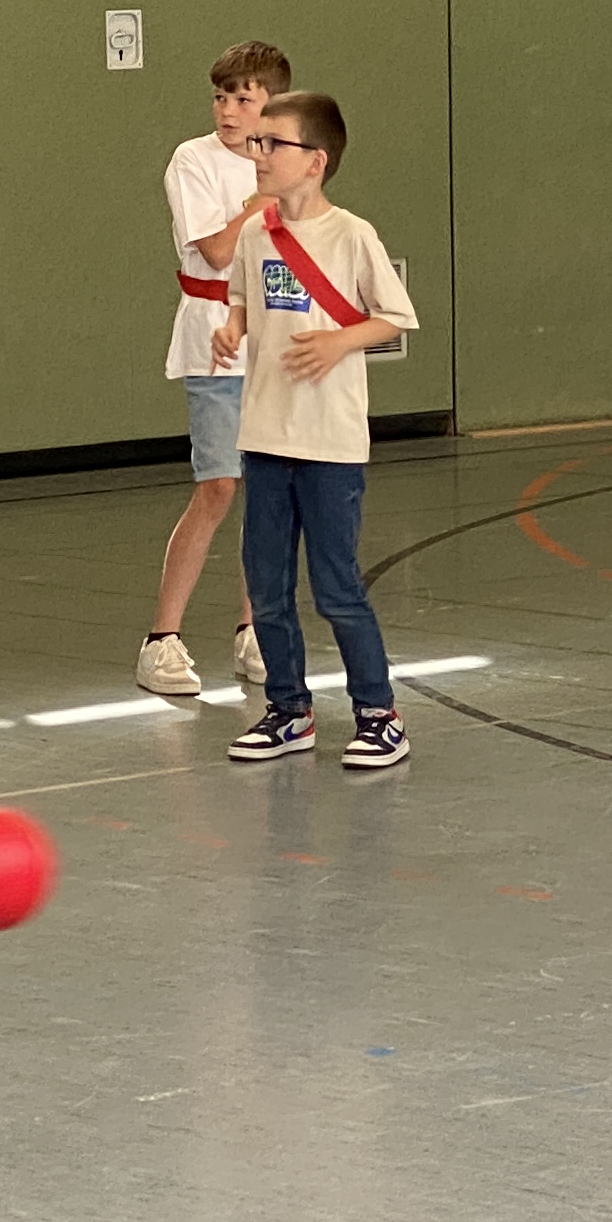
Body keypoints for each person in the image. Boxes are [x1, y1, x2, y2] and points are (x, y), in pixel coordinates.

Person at [213, 93, 421, 771]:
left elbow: (393, 316)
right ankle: (288, 710)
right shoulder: (253, 234)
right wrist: (233, 329)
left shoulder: (352, 234)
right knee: (266, 585)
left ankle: (378, 714)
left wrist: (339, 343)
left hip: (328, 444)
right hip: (266, 436)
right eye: (258, 143)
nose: (260, 154)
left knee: (336, 586)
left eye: (275, 144)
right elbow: (242, 296)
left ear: (316, 162)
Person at [138, 39, 287, 700]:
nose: (228, 110)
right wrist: (258, 202)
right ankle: (161, 640)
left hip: (271, 340)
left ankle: (255, 630)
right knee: (219, 484)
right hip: (212, 339)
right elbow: (220, 247)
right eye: (222, 96)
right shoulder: (191, 161)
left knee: (270, 487)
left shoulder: (290, 160)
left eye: (244, 99)